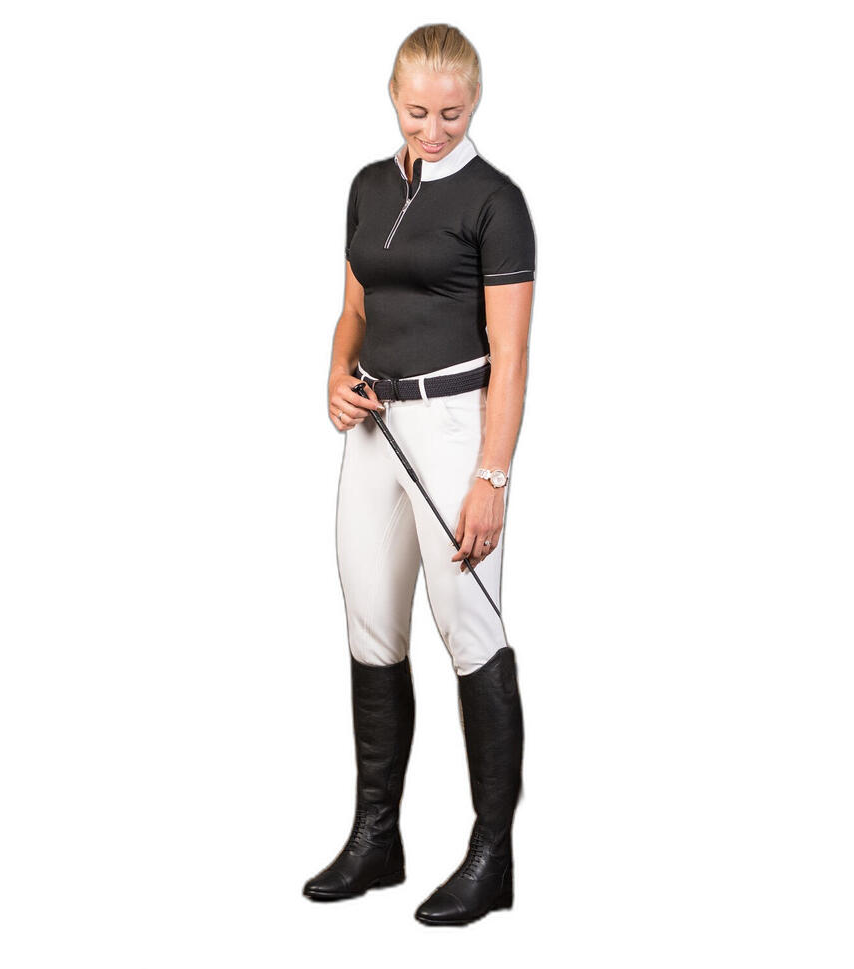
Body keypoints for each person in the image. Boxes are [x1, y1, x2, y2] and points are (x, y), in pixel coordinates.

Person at [302, 23, 536, 926]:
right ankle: (377, 838)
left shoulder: (495, 202)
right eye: (416, 112)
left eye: (451, 113)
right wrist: (334, 373)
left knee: (469, 628)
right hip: (372, 428)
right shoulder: (367, 186)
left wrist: (491, 476)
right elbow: (353, 308)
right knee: (370, 621)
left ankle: (491, 856)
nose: (432, 129)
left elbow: (511, 357)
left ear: (473, 103)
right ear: (392, 100)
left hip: (452, 428)